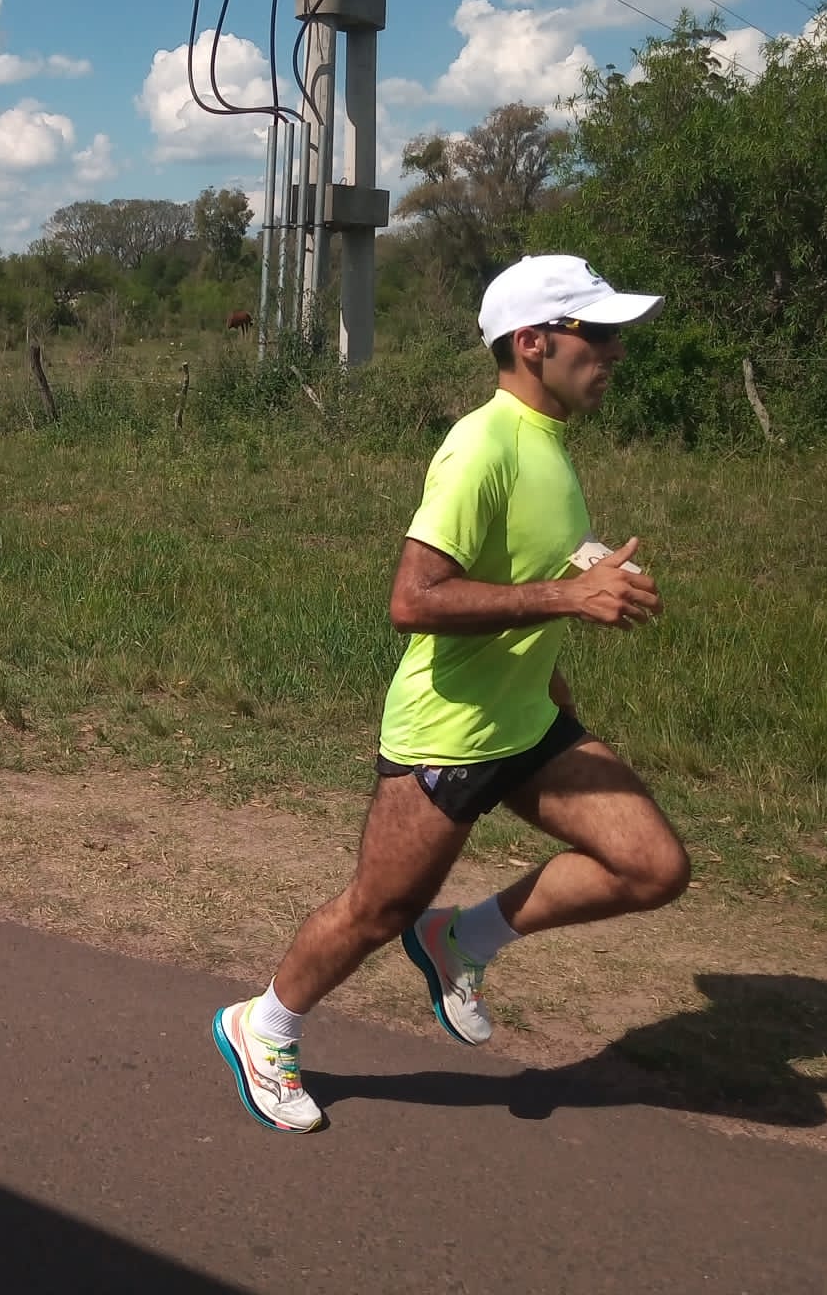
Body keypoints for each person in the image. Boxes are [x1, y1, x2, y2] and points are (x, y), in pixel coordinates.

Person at [213, 254, 692, 1133]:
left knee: (653, 867)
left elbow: (530, 559)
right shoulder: (483, 445)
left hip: (530, 718)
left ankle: (461, 940)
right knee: (376, 908)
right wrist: (566, 596)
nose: (615, 353)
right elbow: (412, 600)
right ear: (534, 341)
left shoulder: (549, 445)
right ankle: (264, 1023)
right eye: (599, 334)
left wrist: (584, 579)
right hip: (449, 734)